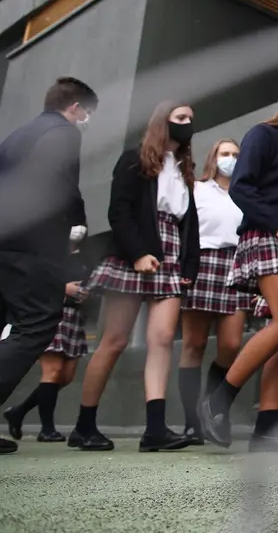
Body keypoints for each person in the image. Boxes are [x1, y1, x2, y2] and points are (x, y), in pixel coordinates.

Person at [198, 80, 278, 452]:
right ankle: (217, 400)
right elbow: (241, 187)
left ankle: (266, 427)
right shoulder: (264, 135)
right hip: (267, 234)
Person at [74, 101, 200, 452]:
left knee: (161, 341)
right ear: (163, 120)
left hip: (172, 256)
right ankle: (84, 425)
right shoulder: (135, 158)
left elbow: (190, 224)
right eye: (181, 118)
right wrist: (138, 253)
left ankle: (155, 430)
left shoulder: (183, 169)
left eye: (191, 119)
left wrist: (189, 267)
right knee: (113, 341)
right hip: (136, 252)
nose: (188, 124)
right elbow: (119, 210)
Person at [0, 77, 95, 455]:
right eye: (87, 113)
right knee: (35, 325)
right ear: (76, 107)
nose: (87, 120)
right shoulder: (63, 132)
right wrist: (78, 221)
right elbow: (58, 181)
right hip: (32, 245)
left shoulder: (18, 135)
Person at [177, 139, 245, 445]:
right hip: (203, 262)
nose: (229, 159)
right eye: (225, 153)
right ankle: (191, 423)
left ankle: (212, 409)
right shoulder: (198, 189)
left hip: (236, 263)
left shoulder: (246, 192)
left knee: (231, 345)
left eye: (235, 154)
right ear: (214, 157)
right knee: (194, 344)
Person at [3, 232, 92, 444]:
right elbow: (30, 277)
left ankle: (19, 411)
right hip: (47, 311)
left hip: (75, 317)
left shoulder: (83, 258)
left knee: (66, 376)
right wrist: (64, 288)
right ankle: (47, 429)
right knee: (52, 372)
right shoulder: (42, 252)